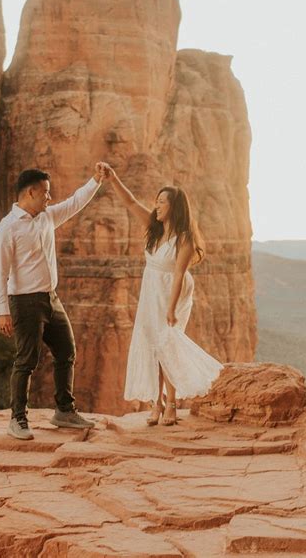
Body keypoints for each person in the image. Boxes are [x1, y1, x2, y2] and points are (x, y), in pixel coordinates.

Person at [0, 163, 106, 440]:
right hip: (24, 301)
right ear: (30, 192)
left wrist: (96, 180)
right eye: (45, 193)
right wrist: (2, 311)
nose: (49, 198)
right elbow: (0, 273)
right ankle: (17, 419)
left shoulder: (46, 217)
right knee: (26, 360)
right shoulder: (6, 229)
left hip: (50, 298)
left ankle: (64, 411)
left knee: (67, 350)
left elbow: (75, 203)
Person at [104, 165, 224, 426]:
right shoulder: (154, 229)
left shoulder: (185, 239)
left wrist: (171, 309)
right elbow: (130, 201)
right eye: (156, 201)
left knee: (167, 345)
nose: (156, 206)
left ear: (175, 207)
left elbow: (179, 274)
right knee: (151, 344)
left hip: (173, 291)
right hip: (151, 290)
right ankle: (155, 404)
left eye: (161, 202)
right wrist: (113, 178)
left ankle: (171, 404)